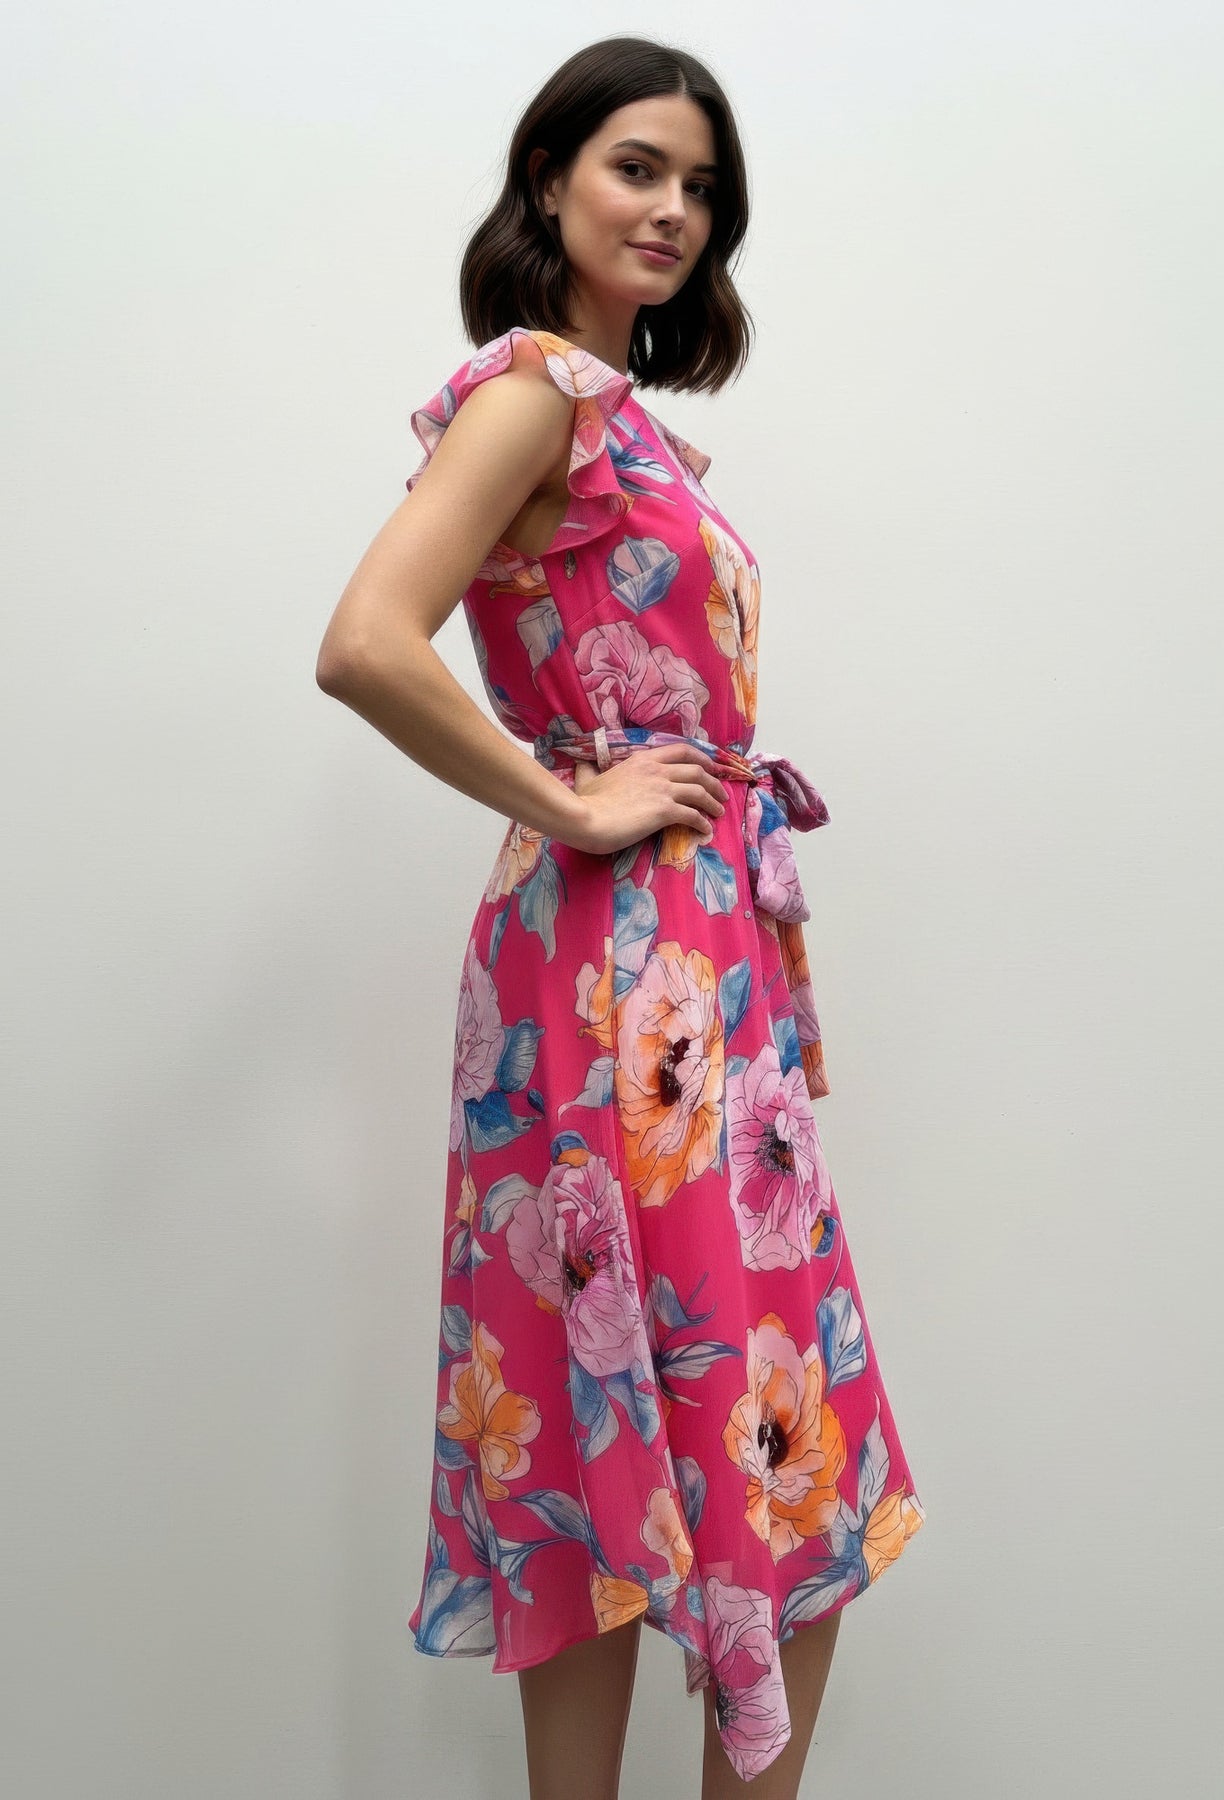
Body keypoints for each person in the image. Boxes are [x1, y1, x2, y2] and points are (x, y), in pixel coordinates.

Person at [316, 34, 924, 1800]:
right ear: (551, 180)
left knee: (656, 1436)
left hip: (683, 960)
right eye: (636, 167)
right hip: (621, 971)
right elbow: (364, 642)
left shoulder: (619, 413)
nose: (672, 210)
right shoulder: (534, 392)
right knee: (744, 1438)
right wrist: (575, 799)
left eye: (700, 187)